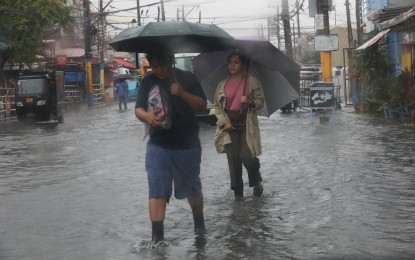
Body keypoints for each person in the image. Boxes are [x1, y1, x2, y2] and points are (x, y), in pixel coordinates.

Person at [134, 49, 207, 243]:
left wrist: (182, 93)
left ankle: (199, 227)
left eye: (163, 65)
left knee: (192, 188)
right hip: (158, 145)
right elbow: (139, 109)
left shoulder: (188, 78)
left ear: (171, 61)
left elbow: (202, 105)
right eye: (155, 66)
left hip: (187, 145)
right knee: (157, 189)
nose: (159, 70)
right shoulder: (148, 82)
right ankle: (157, 240)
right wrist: (146, 116)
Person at [213, 51, 265, 199]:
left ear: (243, 65)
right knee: (234, 158)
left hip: (247, 123)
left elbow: (260, 101)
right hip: (230, 124)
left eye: (236, 62)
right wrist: (225, 123)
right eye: (230, 62)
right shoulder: (222, 84)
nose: (232, 65)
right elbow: (217, 107)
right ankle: (238, 192)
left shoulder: (252, 81)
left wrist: (249, 102)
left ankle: (256, 180)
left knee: (247, 156)